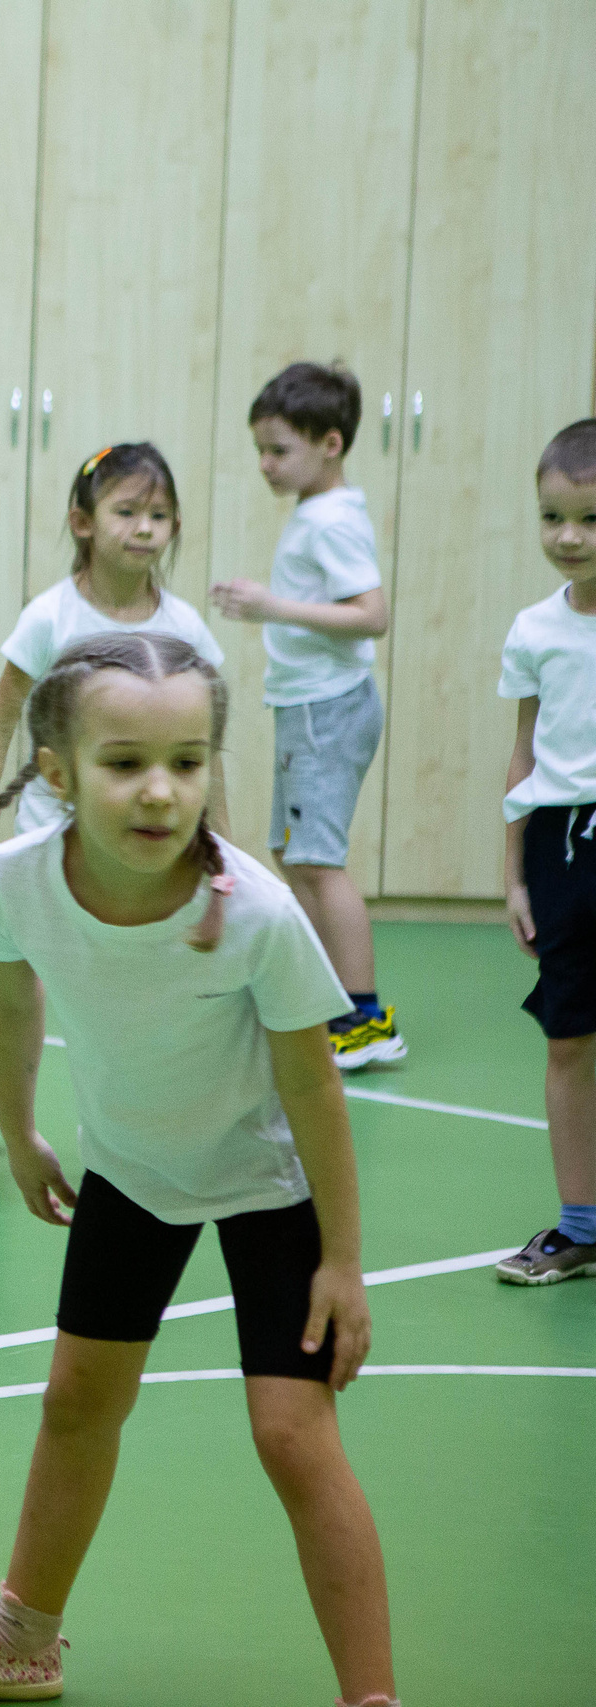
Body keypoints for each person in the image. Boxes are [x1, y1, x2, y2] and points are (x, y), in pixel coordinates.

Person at [0, 634, 396, 1707]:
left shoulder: (252, 912)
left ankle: (372, 1697)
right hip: (131, 1173)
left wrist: (342, 1260)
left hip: (268, 1187)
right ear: (56, 772)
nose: (161, 792)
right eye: (123, 763)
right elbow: (7, 1001)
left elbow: (314, 1089)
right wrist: (16, 1132)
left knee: (291, 1436)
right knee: (76, 1404)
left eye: (188, 761)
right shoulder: (15, 884)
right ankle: (21, 1637)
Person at [0, 444, 225, 1162]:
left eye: (159, 515)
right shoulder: (50, 618)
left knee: (154, 981)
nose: (144, 527)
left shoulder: (186, 630)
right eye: (126, 511)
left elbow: (207, 752)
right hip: (49, 839)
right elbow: (2, 720)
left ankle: (156, 1112)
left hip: (151, 847)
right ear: (83, 521)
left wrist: (223, 856)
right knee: (11, 976)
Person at [212, 361, 402, 1069]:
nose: (265, 463)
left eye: (279, 449)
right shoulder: (316, 513)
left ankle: (365, 1017)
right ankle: (326, 995)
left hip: (329, 709)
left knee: (320, 860)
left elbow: (372, 615)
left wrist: (271, 606)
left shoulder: (332, 522)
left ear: (330, 443)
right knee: (297, 856)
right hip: (307, 706)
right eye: (261, 448)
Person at [491, 417, 596, 1286]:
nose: (569, 536)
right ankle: (578, 1225)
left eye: (591, 519)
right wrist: (513, 872)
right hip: (561, 845)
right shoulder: (534, 630)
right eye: (554, 516)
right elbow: (524, 754)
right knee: (569, 1038)